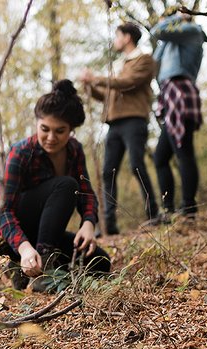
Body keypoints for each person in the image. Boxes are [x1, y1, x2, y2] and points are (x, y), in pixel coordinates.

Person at [0, 80, 111, 291]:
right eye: (44, 129)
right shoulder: (21, 152)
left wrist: (88, 223)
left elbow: (86, 193)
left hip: (42, 232)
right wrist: (24, 249)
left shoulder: (74, 150)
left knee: (100, 262)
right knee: (66, 185)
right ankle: (40, 268)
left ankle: (41, 266)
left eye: (60, 131)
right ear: (37, 123)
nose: (51, 138)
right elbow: (3, 210)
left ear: (71, 131)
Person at [79, 22, 160, 235]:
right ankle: (109, 226)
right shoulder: (118, 65)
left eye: (117, 36)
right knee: (108, 172)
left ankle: (154, 215)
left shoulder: (144, 59)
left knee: (136, 165)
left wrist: (97, 77)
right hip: (114, 123)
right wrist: (89, 85)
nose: (115, 41)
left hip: (134, 120)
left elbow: (127, 83)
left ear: (127, 38)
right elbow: (107, 95)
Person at [150, 12, 207, 219]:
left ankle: (188, 208)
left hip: (181, 92)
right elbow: (153, 61)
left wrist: (175, 18)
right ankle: (169, 209)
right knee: (160, 157)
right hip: (169, 95)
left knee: (184, 152)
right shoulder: (172, 42)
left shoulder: (193, 31)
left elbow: (158, 31)